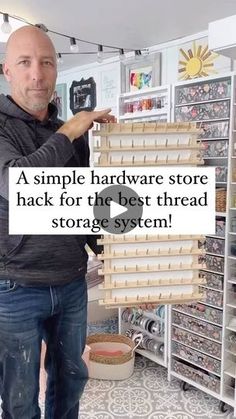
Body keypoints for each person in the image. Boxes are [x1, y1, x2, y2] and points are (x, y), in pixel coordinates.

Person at [0, 25, 114, 419]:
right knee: (18, 396)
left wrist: (118, 261)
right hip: (15, 285)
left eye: (46, 62)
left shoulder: (72, 133)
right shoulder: (8, 126)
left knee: (70, 382)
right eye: (25, 62)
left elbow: (80, 205)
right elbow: (18, 183)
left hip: (71, 282)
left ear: (56, 68)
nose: (37, 74)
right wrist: (68, 132)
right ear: (6, 71)